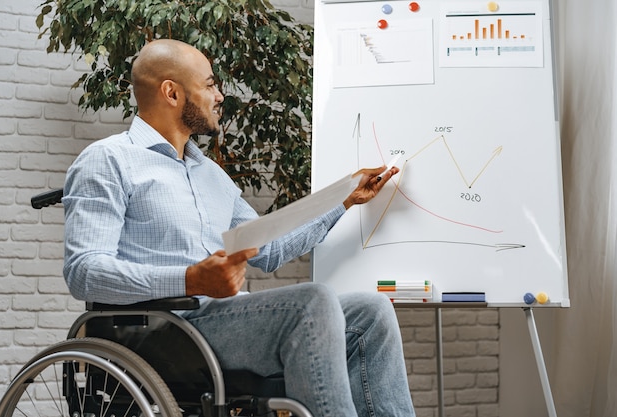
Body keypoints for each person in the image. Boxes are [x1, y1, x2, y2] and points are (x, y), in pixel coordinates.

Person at [62, 39, 415, 417]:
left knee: (372, 311)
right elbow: (84, 272)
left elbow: (272, 249)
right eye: (210, 84)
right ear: (172, 92)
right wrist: (190, 280)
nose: (220, 95)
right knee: (313, 302)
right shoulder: (108, 160)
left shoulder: (212, 175)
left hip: (220, 322)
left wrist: (343, 201)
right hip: (159, 330)